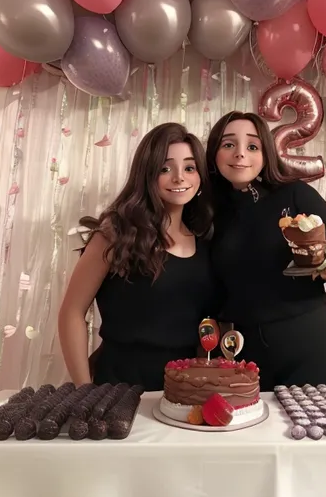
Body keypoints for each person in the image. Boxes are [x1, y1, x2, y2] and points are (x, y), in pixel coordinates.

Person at [206, 111, 326, 390]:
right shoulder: (207, 212)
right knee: (252, 433)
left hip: (309, 341)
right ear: (214, 155)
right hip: (241, 350)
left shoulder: (294, 194)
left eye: (252, 146)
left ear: (266, 153)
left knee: (318, 430)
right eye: (228, 145)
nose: (240, 154)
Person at [59, 123, 218, 391]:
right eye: (165, 169)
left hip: (184, 390)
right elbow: (71, 313)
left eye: (189, 168)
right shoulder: (115, 234)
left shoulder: (206, 241)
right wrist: (83, 391)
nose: (180, 178)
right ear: (147, 174)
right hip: (118, 386)